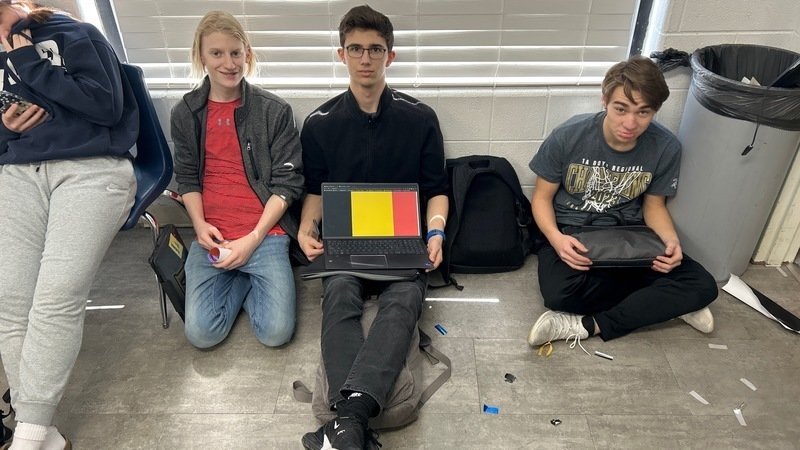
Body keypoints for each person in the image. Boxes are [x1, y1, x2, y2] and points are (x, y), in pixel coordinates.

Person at [297, 5, 448, 449]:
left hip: (403, 239)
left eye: (375, 49)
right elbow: (315, 192)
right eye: (356, 49)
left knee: (404, 299)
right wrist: (307, 228)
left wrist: (435, 233)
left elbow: (437, 190)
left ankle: (347, 419)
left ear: (390, 56)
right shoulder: (320, 123)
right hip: (345, 240)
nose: (366, 58)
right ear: (341, 54)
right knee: (339, 293)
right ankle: (355, 418)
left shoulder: (420, 118)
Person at [0, 1, 139, 449]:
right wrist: (7, 128)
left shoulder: (71, 33)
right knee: (10, 303)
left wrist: (29, 64)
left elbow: (106, 106)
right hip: (17, 172)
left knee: (55, 298)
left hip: (91, 168)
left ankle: (27, 438)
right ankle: (41, 433)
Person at [527, 55, 718, 350]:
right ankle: (665, 304)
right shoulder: (568, 136)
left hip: (629, 233)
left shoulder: (665, 146)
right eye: (621, 109)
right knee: (559, 294)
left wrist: (671, 242)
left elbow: (654, 206)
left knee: (703, 285)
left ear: (655, 111)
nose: (630, 123)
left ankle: (588, 325)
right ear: (604, 100)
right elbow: (541, 197)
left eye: (643, 112)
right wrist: (556, 239)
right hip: (572, 231)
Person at [171, 11, 303, 349]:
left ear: (248, 54)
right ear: (201, 56)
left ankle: (242, 273)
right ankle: (242, 278)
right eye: (217, 53)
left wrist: (253, 238)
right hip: (214, 235)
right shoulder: (185, 113)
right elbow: (187, 177)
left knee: (275, 333)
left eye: (235, 53)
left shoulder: (274, 111)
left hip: (265, 234)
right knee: (202, 334)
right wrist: (200, 226)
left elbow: (287, 184)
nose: (228, 63)